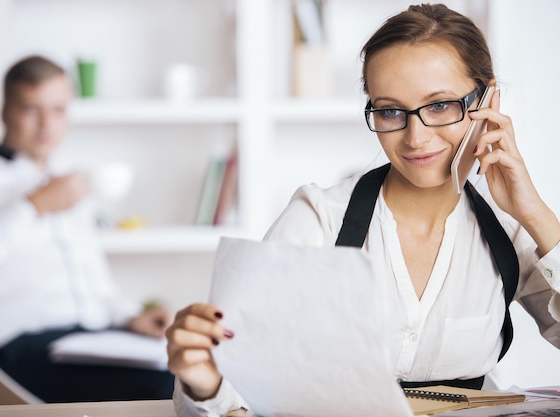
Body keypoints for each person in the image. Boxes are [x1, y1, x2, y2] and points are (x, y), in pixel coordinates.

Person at [164, 3, 560, 416]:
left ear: (488, 99)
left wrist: (535, 213)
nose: (416, 137)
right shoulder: (319, 218)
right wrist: (205, 382)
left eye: (440, 105)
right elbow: (238, 383)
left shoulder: (512, 228)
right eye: (390, 111)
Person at [0, 55, 175, 402]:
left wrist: (131, 317)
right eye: (31, 109)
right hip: (11, 349)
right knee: (167, 387)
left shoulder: (65, 181)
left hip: (89, 339)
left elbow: (95, 287)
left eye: (58, 110)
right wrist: (34, 205)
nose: (46, 124)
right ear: (4, 111)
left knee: (202, 373)